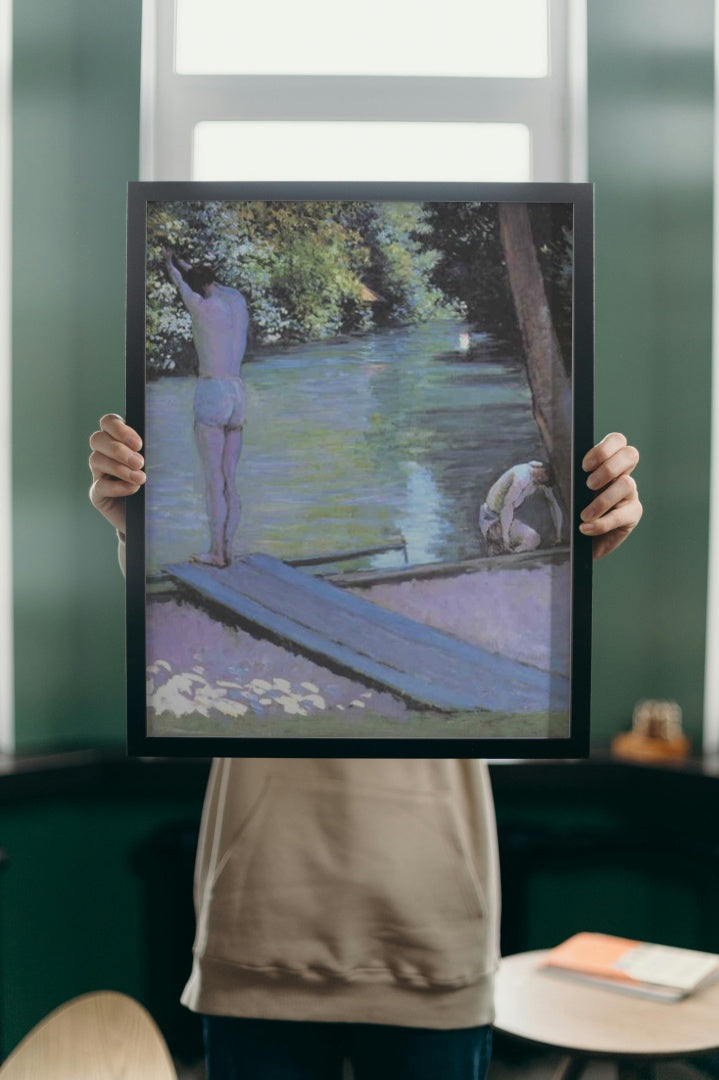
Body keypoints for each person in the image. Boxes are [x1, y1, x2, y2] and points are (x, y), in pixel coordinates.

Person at [89, 421, 642, 1080]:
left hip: (433, 929)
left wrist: (576, 555)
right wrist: (135, 523)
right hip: (261, 927)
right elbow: (167, 639)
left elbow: (535, 635)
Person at [165, 250, 250, 567]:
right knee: (231, 479)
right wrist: (190, 267)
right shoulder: (237, 301)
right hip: (237, 391)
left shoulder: (199, 306)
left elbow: (179, 279)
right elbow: (202, 278)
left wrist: (171, 264)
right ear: (214, 279)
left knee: (213, 478)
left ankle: (216, 552)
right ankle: (228, 548)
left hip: (212, 390)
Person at [479, 461, 563, 556]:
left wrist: (558, 535)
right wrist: (505, 538)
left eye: (543, 480)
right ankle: (503, 547)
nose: (539, 480)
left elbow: (553, 503)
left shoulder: (538, 481)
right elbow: (507, 506)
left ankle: (512, 552)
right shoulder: (521, 477)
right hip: (491, 519)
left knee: (533, 539)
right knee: (503, 546)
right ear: (541, 468)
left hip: (505, 520)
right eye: (541, 476)